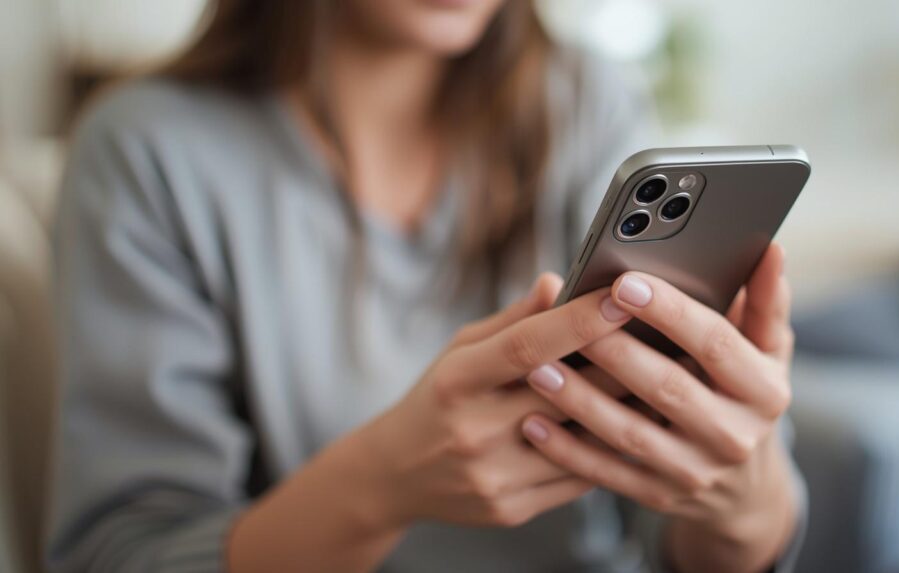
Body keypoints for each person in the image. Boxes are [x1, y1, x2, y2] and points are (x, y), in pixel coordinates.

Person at [46, 1, 804, 571]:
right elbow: (123, 549)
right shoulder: (147, 153)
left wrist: (744, 498)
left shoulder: (584, 103)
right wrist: (380, 483)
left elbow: (697, 539)